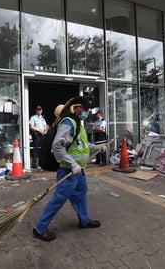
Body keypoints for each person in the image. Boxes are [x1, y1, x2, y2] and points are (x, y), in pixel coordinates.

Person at [33, 96, 106, 242]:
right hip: (69, 170)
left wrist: (97, 148)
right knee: (59, 199)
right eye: (85, 110)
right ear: (77, 108)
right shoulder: (68, 122)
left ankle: (84, 220)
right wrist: (72, 164)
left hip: (78, 171)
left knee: (80, 194)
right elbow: (57, 146)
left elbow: (82, 146)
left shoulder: (78, 124)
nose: (86, 113)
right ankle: (39, 228)